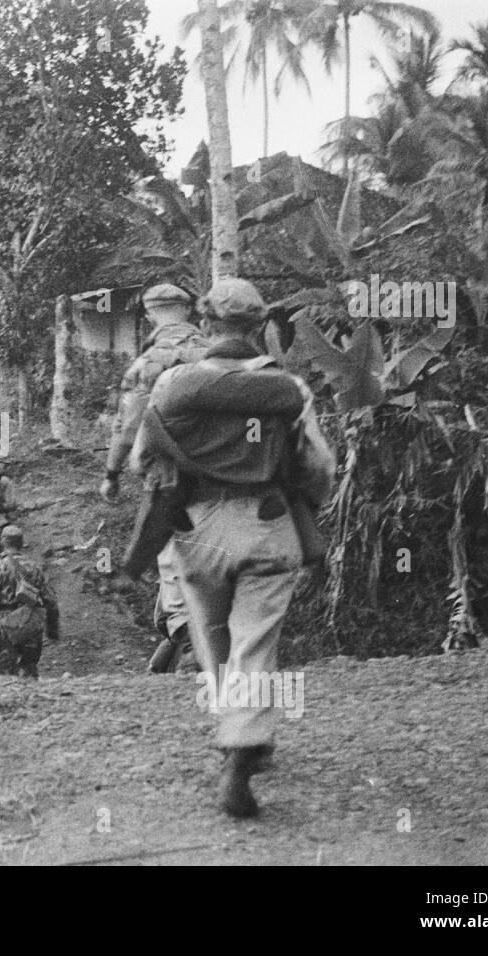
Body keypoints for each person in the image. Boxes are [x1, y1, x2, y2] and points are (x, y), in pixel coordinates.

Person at [141, 278, 335, 818]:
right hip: (267, 523)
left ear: (205, 324)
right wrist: (307, 505)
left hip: (197, 528)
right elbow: (320, 466)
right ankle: (244, 743)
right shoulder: (288, 388)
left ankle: (235, 729)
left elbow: (144, 460)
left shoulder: (173, 384)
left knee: (210, 633)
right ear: (261, 327)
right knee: (257, 640)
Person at [101, 282, 208, 675]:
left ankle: (188, 647)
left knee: (175, 556)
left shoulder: (148, 364)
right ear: (188, 313)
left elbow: (128, 426)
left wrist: (111, 473)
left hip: (171, 478)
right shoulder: (219, 355)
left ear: (149, 315)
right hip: (230, 477)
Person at [0, 525, 60, 678]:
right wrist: (52, 630)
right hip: (30, 623)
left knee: (5, 677)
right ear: (22, 543)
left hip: (5, 625)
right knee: (29, 672)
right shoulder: (35, 567)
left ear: (2, 543)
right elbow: (50, 600)